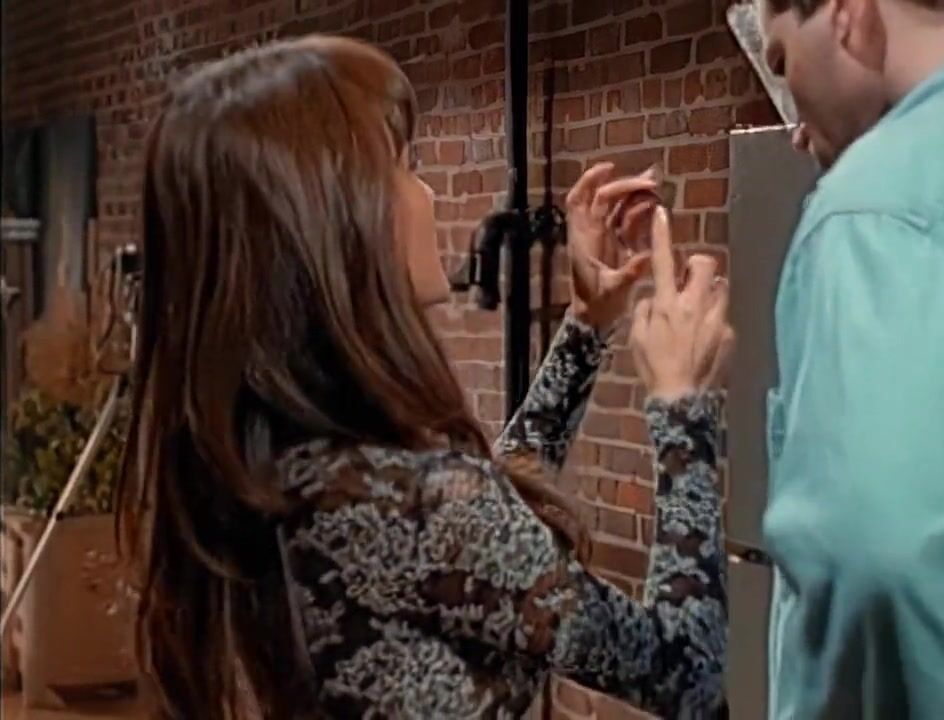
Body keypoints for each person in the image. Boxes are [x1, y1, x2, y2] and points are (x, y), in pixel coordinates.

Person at [117, 36, 735, 720]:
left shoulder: (285, 463)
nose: (428, 192)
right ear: (340, 223)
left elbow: (479, 539)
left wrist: (587, 327)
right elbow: (688, 671)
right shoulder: (416, 505)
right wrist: (682, 407)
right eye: (405, 167)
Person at [759, 0, 944, 717]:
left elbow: (878, 551)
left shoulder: (868, 206)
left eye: (781, 62)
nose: (793, 128)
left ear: (846, 14)